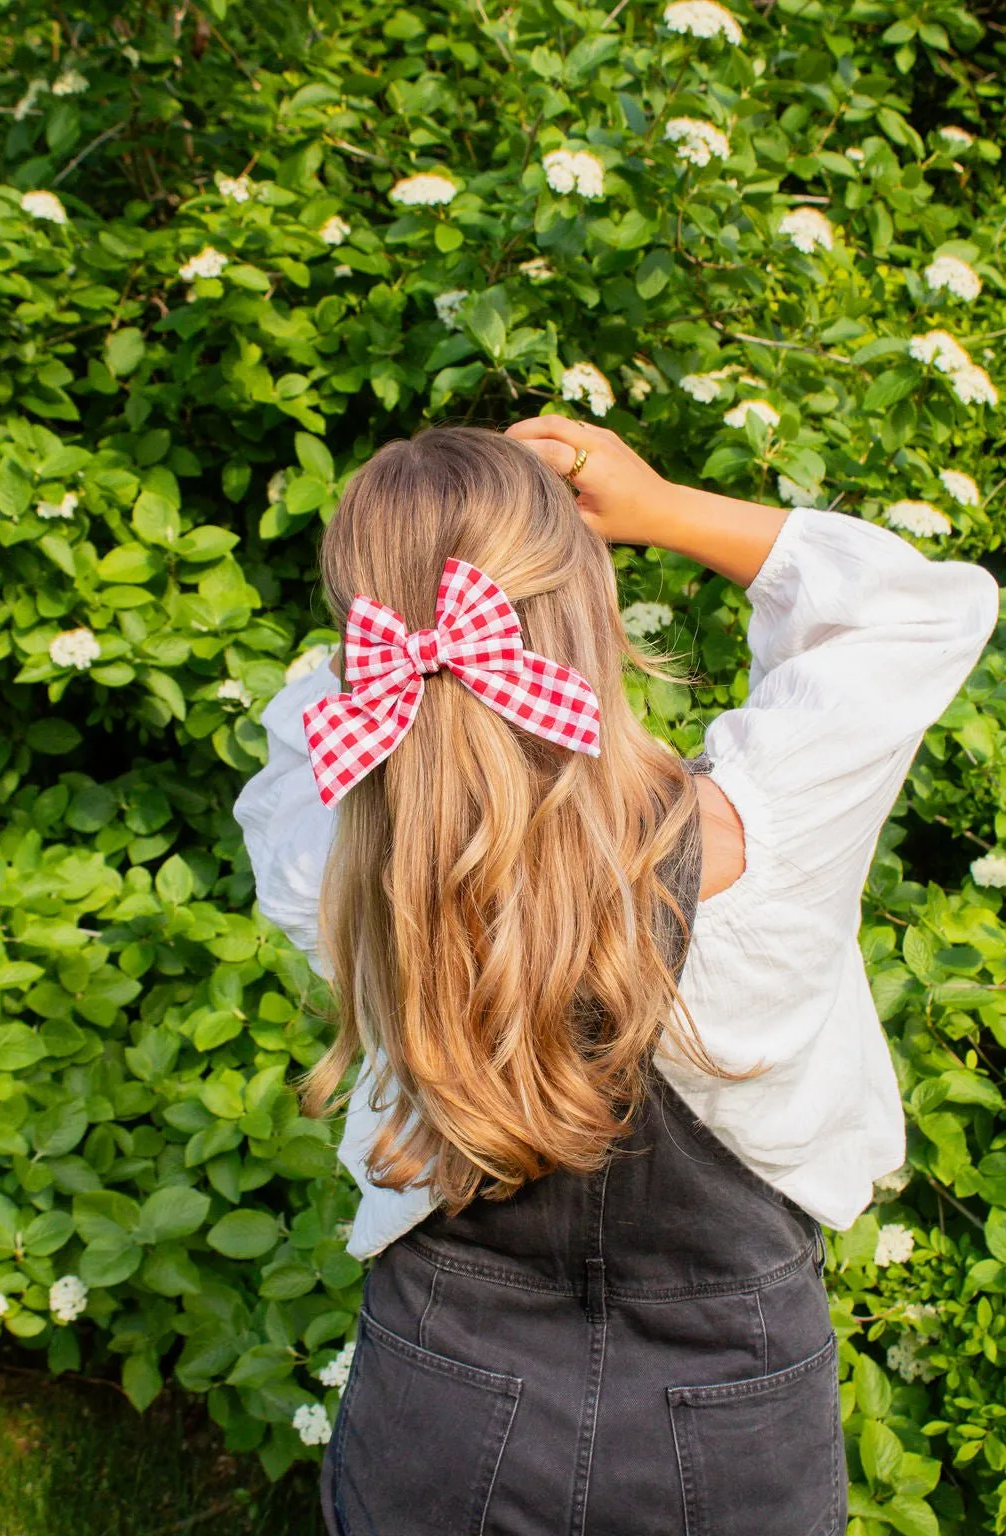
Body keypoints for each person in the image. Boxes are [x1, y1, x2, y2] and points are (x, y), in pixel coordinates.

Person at [233, 421, 999, 1536]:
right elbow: (920, 608)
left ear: (366, 635)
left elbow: (308, 730)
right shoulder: (763, 839)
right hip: (732, 1414)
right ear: (584, 604)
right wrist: (655, 505)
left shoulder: (336, 852)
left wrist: (400, 595)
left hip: (441, 1404)